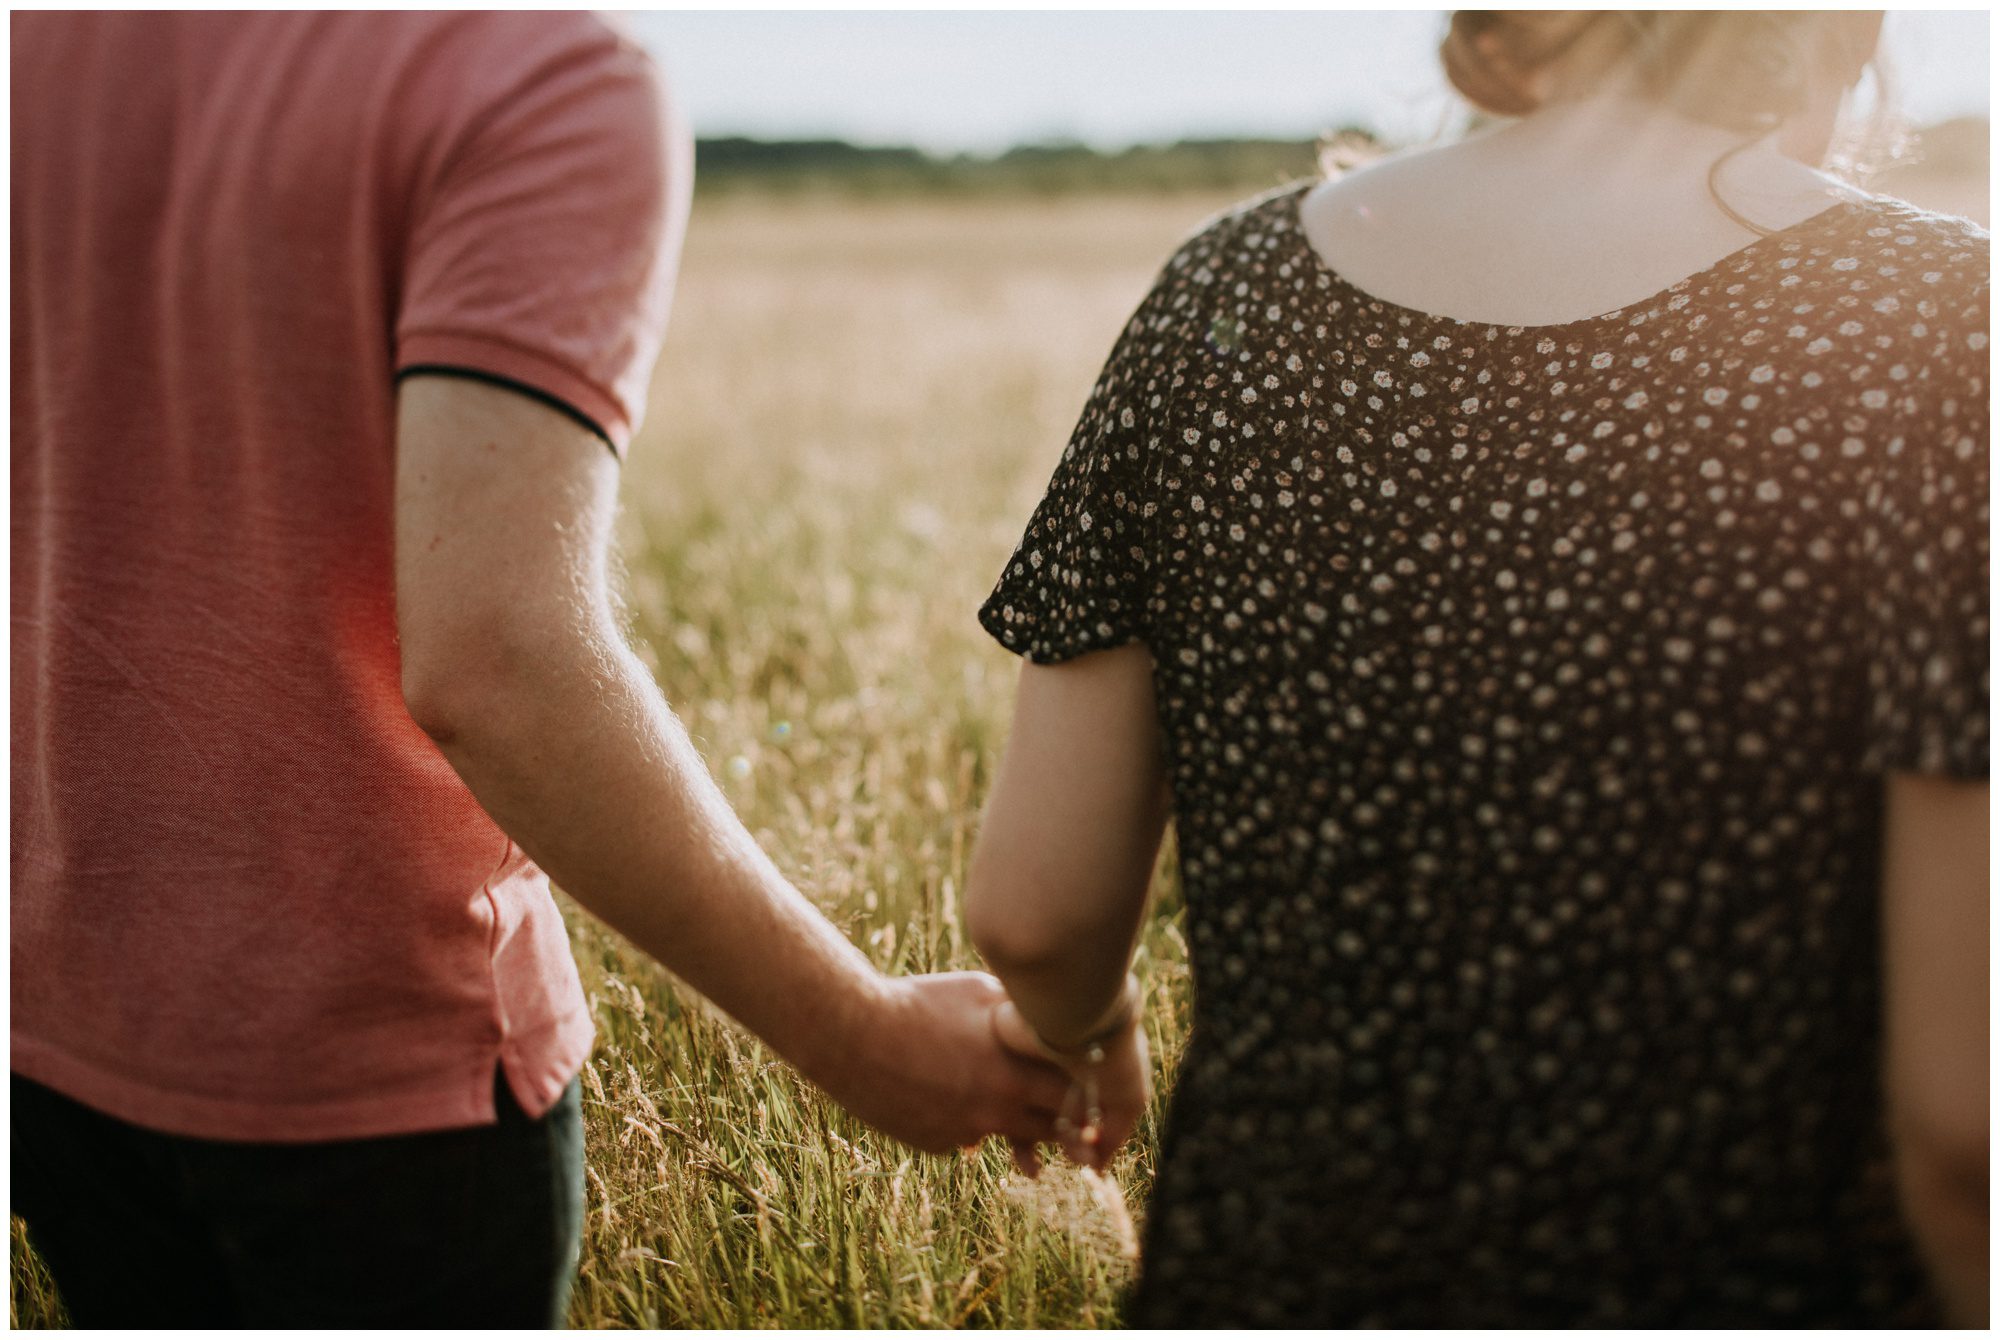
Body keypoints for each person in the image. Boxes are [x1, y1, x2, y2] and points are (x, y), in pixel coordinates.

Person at [11, 11, 1068, 1327]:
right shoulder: (539, 72)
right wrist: (862, 1037)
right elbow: (499, 661)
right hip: (383, 1083)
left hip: (55, 1036)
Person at [968, 9, 1987, 1327]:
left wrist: (1085, 1029)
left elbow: (1034, 917)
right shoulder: (1933, 316)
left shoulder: (1224, 286)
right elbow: (1967, 1132)